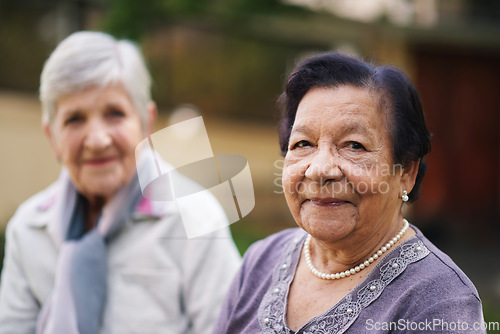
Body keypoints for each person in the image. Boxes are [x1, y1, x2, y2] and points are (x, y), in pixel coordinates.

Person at [212, 52, 486, 334]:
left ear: (406, 172)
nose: (320, 170)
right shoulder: (261, 260)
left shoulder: (440, 301)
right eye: (303, 143)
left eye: (354, 145)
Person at [0, 31, 241, 334]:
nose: (98, 140)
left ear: (146, 123)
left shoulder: (195, 218)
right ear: (53, 137)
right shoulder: (27, 229)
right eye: (75, 119)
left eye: (114, 114)